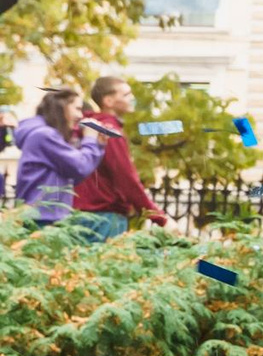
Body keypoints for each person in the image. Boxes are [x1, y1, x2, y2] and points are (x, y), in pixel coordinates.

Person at [72, 76, 169, 236]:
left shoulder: (89, 127)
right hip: (105, 216)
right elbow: (126, 178)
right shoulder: (110, 131)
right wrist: (159, 217)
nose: (132, 99)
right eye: (126, 95)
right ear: (108, 101)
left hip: (82, 212)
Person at [13, 88, 108, 227]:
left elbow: (72, 176)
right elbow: (80, 167)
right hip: (42, 219)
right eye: (77, 108)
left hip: (46, 216)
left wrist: (97, 145)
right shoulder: (44, 135)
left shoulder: (46, 135)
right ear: (62, 106)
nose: (80, 115)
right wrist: (90, 139)